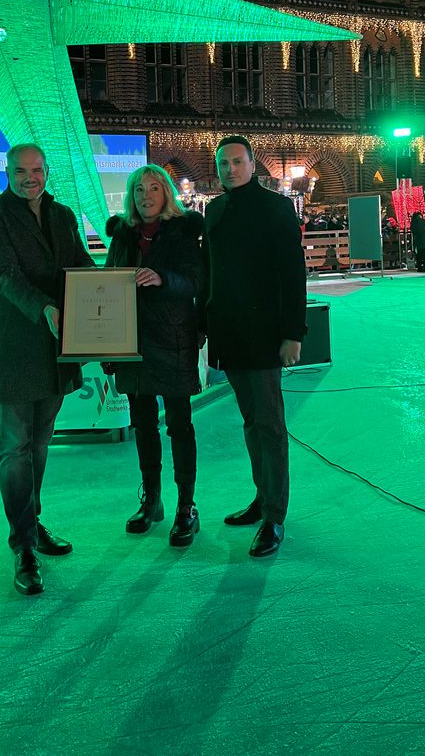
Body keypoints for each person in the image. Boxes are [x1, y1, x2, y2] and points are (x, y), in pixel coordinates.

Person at [0, 144, 93, 596]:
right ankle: (22, 545)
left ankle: (33, 522)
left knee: (40, 442)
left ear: (46, 171)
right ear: (7, 173)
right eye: (20, 171)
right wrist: (43, 306)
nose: (29, 178)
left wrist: (111, 290)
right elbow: (4, 275)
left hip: (57, 345)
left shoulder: (62, 215)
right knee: (15, 446)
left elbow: (80, 265)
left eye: (36, 170)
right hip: (16, 345)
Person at [200, 135, 306, 559]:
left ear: (252, 164)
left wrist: (293, 333)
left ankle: (275, 516)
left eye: (236, 162)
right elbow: (210, 271)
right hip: (229, 332)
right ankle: (262, 499)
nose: (229, 169)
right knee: (250, 421)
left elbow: (292, 274)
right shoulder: (215, 210)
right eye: (223, 164)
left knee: (269, 425)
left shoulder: (276, 207)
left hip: (264, 334)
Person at [104, 165, 204, 547]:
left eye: (153, 188)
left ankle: (186, 506)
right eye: (139, 190)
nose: (146, 196)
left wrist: (163, 278)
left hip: (172, 340)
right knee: (143, 426)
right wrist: (105, 342)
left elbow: (197, 281)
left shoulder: (182, 232)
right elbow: (108, 285)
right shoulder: (122, 235)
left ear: (166, 194)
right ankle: (152, 499)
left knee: (179, 425)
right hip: (131, 343)